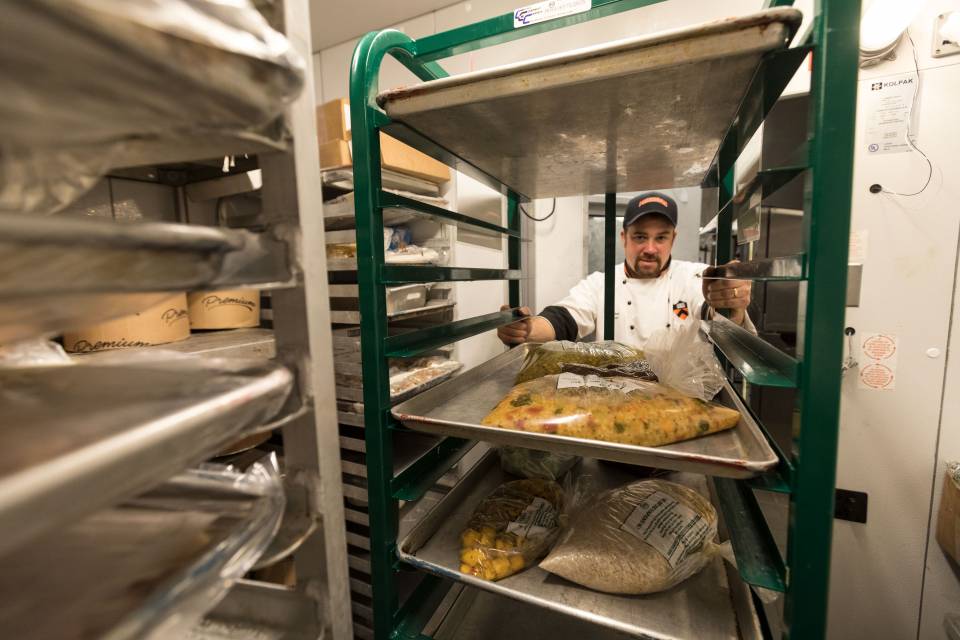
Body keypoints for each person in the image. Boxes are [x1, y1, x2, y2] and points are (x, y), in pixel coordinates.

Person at [497, 191, 754, 349]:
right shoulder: (601, 284)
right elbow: (562, 319)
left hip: (683, 399)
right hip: (616, 400)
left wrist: (732, 301)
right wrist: (527, 329)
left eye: (661, 238)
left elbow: (720, 320)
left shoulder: (694, 277)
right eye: (640, 237)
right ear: (624, 237)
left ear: (673, 239)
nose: (650, 248)